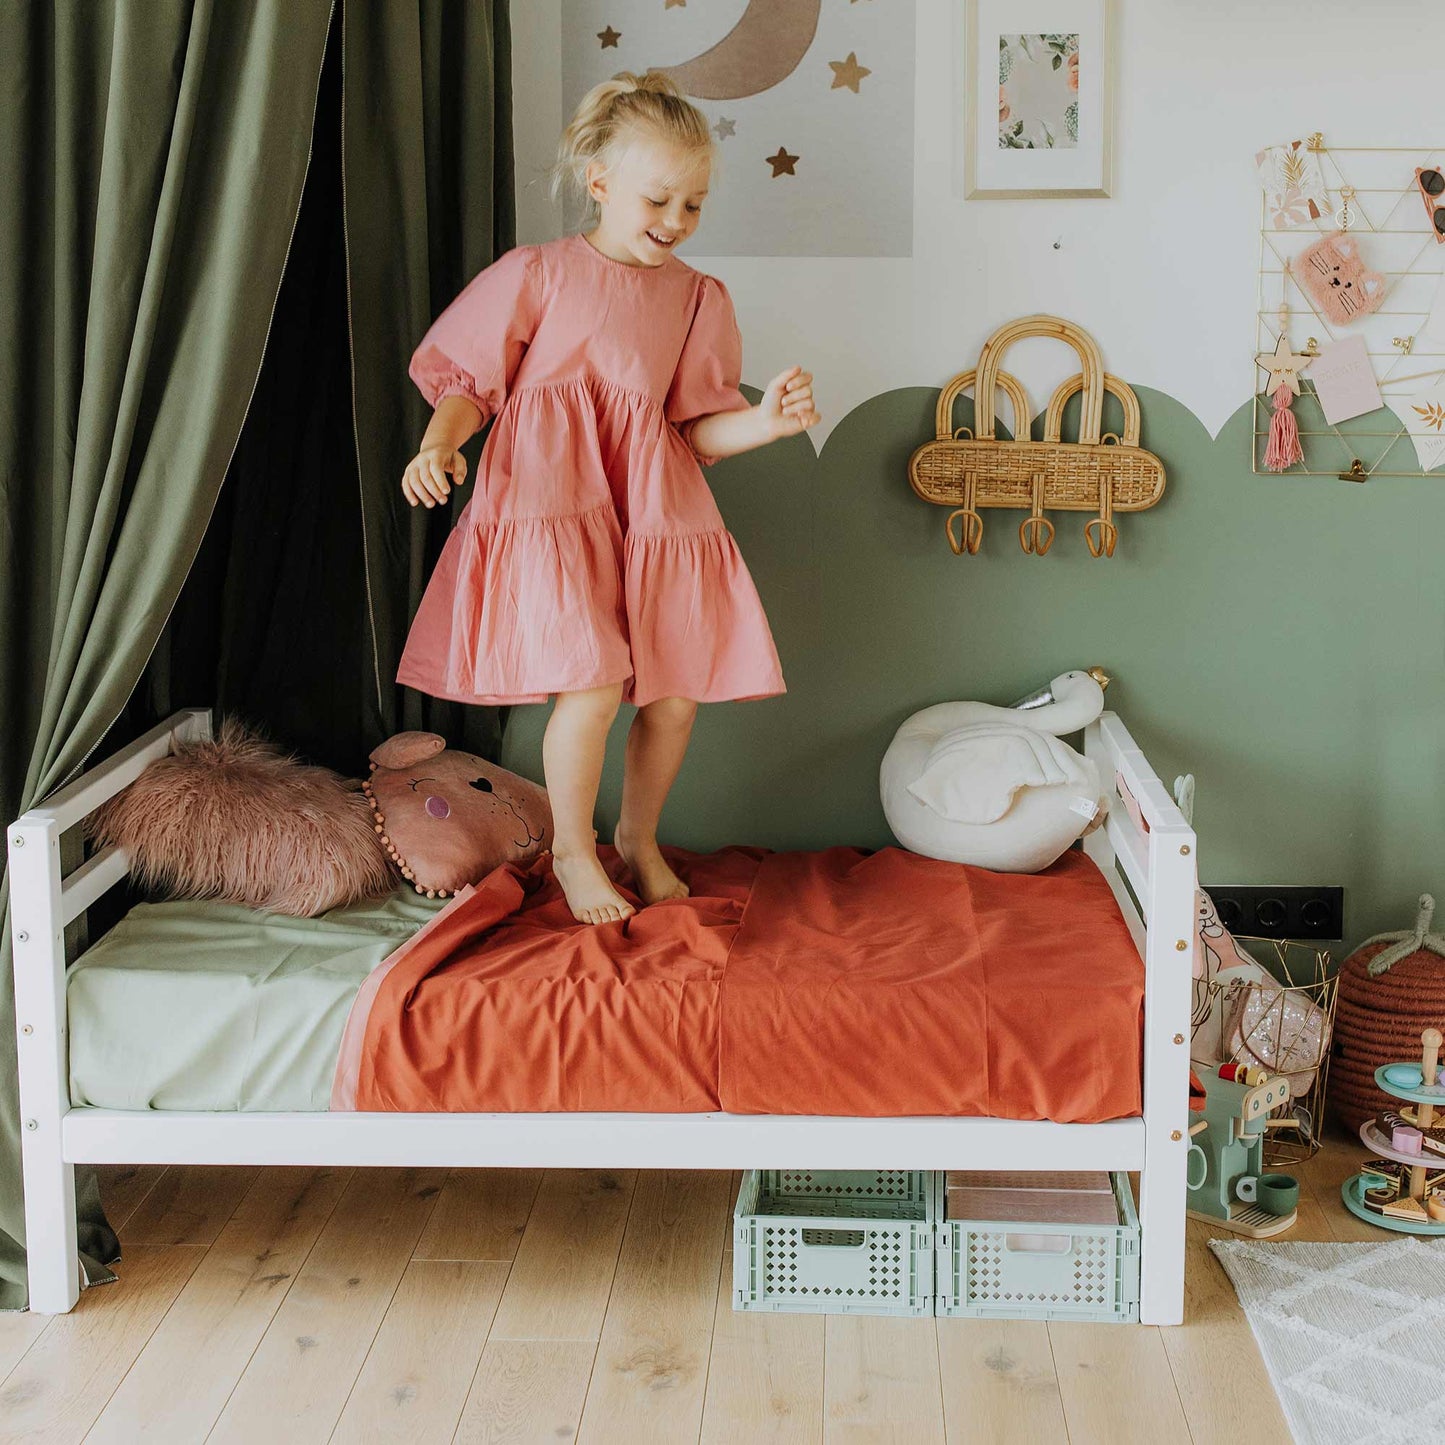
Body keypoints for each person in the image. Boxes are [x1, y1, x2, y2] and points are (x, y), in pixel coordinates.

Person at [397, 69, 820, 926]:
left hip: (654, 512)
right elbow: (471, 381)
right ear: (600, 184)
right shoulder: (538, 273)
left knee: (671, 695)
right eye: (658, 199)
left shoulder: (697, 296)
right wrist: (440, 443)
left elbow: (697, 426)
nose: (674, 222)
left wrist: (766, 424)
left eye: (693, 206)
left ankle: (638, 833)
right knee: (588, 687)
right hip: (552, 504)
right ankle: (571, 850)